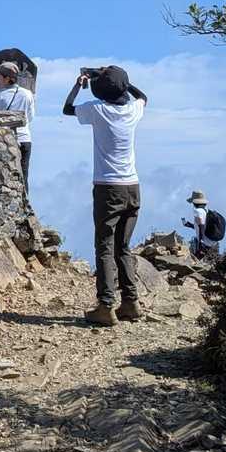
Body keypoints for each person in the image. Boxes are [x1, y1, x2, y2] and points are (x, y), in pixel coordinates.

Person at [64, 65, 148, 326]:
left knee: (104, 246)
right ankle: (131, 303)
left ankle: (106, 306)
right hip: (132, 187)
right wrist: (123, 83)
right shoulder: (133, 110)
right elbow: (143, 96)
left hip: (107, 188)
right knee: (123, 247)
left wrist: (79, 84)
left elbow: (67, 108)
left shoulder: (97, 110)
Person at [0, 61, 36, 192]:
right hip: (25, 138)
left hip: (5, 140)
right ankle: (26, 201)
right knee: (23, 175)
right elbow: (30, 117)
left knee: (5, 175)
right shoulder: (28, 93)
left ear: (7, 78)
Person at [188, 189, 221, 259]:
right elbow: (204, 225)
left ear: (194, 202)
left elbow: (201, 226)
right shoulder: (206, 211)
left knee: (195, 260)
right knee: (198, 259)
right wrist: (190, 225)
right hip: (211, 241)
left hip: (204, 241)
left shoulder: (197, 211)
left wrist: (200, 242)